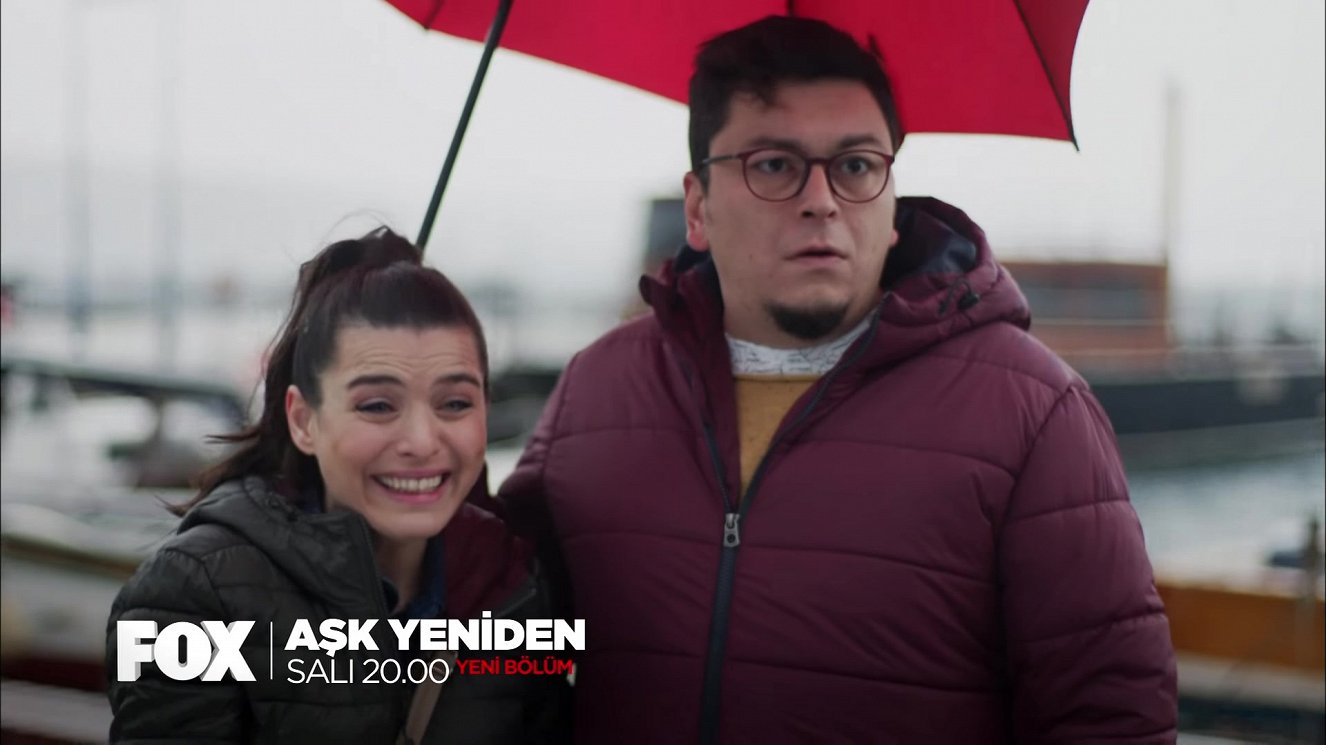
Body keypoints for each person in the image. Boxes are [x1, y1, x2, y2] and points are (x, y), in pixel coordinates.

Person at [498, 16, 1178, 744]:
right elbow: (505, 648)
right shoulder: (600, 386)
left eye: (855, 166)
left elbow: (1110, 720)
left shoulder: (1034, 412)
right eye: (773, 165)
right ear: (697, 208)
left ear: (891, 204)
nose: (821, 199)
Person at [106, 228, 570, 744]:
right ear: (303, 420)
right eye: (378, 406)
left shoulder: (513, 584)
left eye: (455, 404)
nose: (422, 441)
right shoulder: (196, 595)